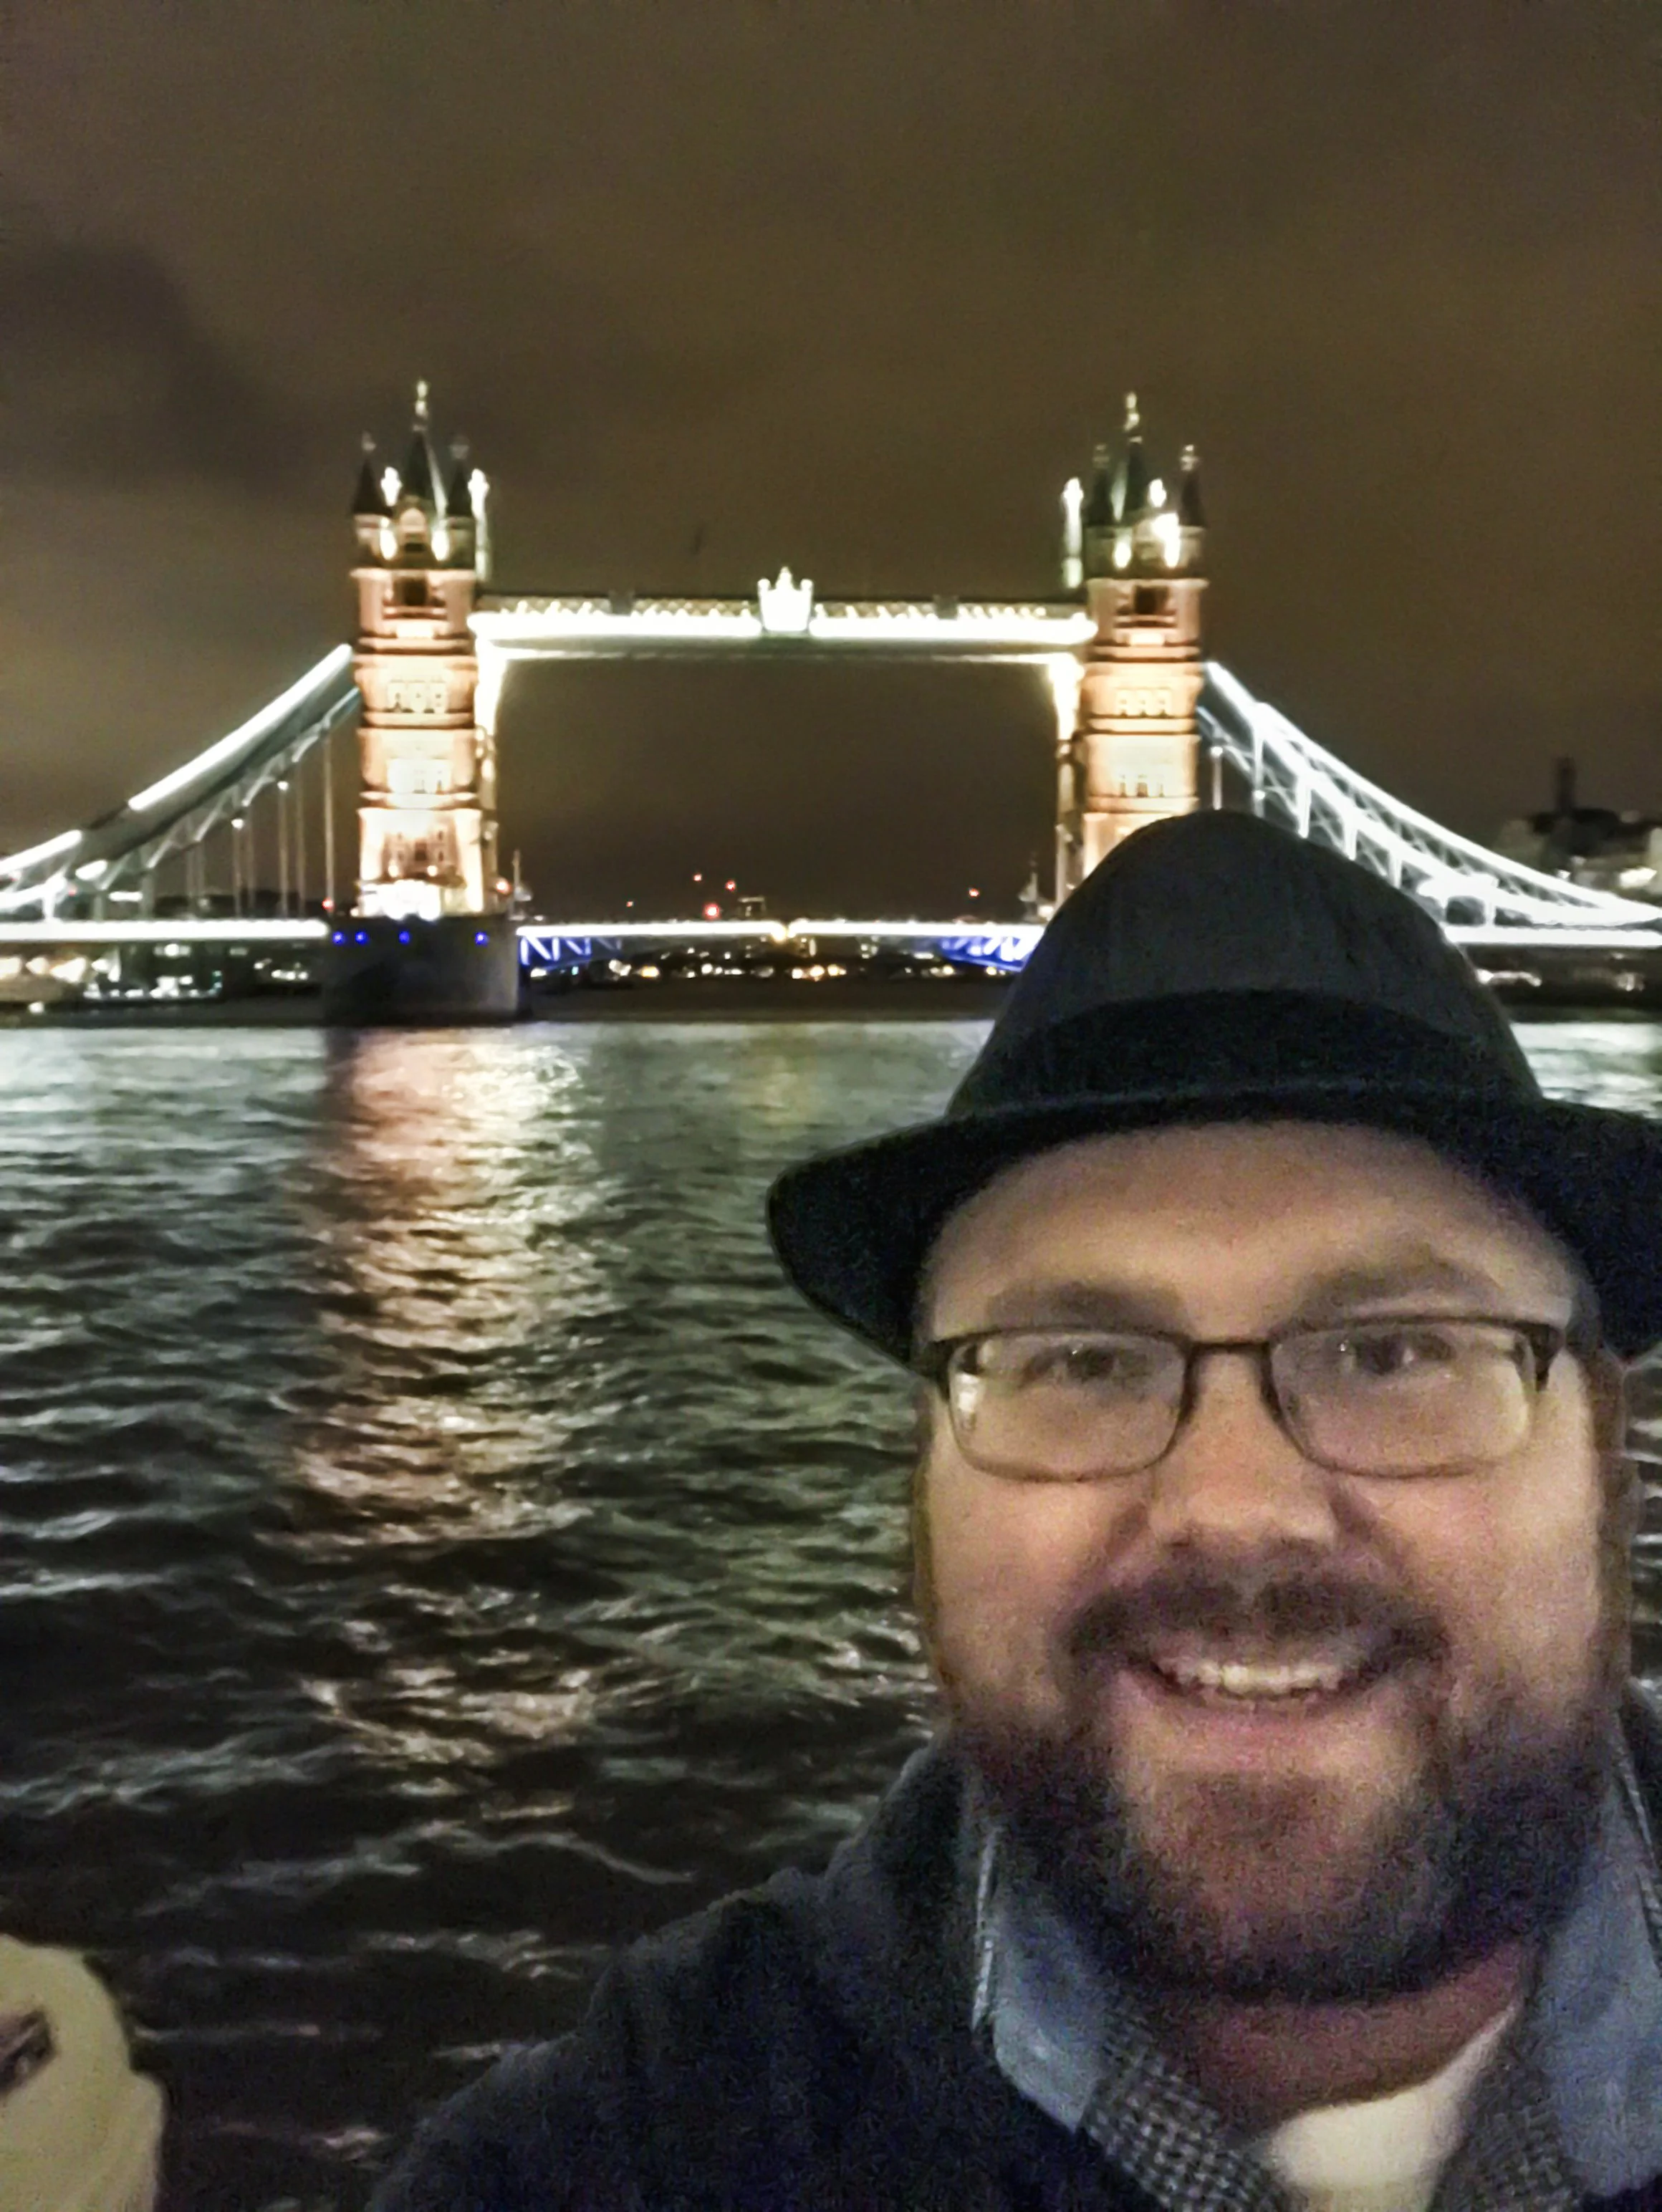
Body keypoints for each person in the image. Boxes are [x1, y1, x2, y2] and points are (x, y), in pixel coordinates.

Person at [373, 810, 1662, 2211]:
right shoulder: (615, 2152)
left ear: (1603, 1448)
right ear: (917, 1480)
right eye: (1081, 1363)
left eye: (1394, 1350)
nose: (1233, 1507)